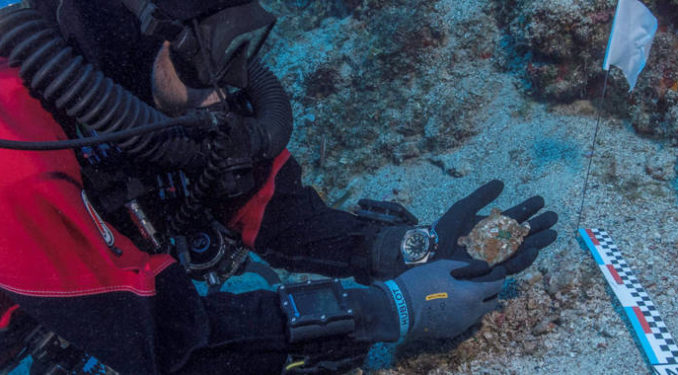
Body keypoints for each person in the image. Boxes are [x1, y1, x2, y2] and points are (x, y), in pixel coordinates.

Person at [0, 1, 558, 374]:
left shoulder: (185, 94)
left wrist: (399, 250)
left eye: (238, 47)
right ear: (129, 41)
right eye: (205, 56)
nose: (226, 89)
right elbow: (163, 343)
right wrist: (384, 311)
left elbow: (269, 208)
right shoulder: (18, 158)